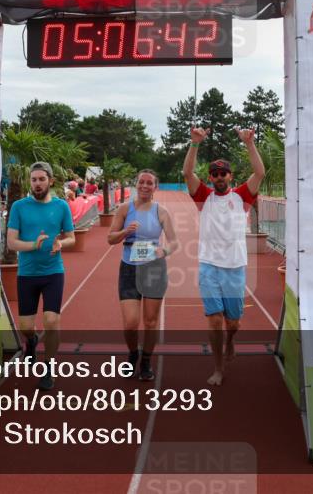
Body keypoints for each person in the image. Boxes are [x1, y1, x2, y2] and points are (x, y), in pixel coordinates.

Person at [183, 127, 265, 386]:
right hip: (209, 265)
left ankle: (231, 342)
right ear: (210, 177)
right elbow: (187, 172)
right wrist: (195, 144)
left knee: (233, 323)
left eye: (223, 173)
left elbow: (260, 173)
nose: (219, 177)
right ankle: (218, 368)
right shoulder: (203, 197)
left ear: (230, 176)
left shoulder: (242, 196)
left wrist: (249, 143)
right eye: (215, 173)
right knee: (215, 320)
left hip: (235, 266)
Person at [6, 161, 75, 390]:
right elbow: (11, 242)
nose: (37, 184)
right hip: (27, 273)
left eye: (41, 179)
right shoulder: (18, 207)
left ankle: (48, 368)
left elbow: (71, 237)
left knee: (52, 320)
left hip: (53, 272)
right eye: (34, 180)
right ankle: (32, 340)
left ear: (50, 181)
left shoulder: (62, 206)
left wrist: (60, 243)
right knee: (26, 326)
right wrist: (33, 245)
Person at [107, 169, 178, 381]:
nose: (145, 186)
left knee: (150, 321)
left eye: (149, 183)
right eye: (141, 182)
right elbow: (110, 239)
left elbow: (174, 242)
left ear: (155, 187)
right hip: (129, 267)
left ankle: (146, 359)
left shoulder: (161, 211)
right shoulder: (124, 209)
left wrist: (163, 251)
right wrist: (125, 232)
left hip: (153, 268)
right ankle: (132, 354)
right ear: (136, 184)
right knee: (130, 322)